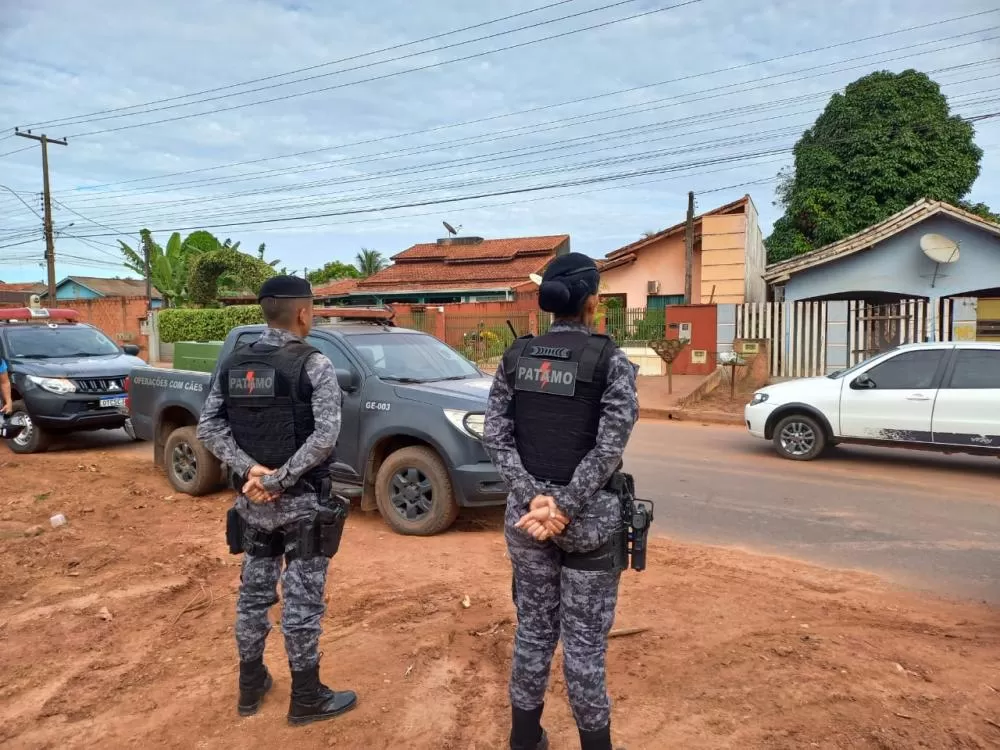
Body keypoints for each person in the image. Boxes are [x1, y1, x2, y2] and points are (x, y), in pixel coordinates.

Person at [484, 253, 639, 750]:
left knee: (533, 631)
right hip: (588, 525)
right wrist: (565, 506)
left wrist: (536, 501)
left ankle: (523, 739)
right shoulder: (611, 360)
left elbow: (496, 436)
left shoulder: (515, 357)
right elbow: (609, 447)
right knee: (585, 646)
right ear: (593, 301)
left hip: (528, 524)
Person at [196, 275, 357, 726]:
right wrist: (279, 479)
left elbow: (209, 427)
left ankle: (250, 687)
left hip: (253, 506)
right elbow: (326, 437)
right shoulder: (313, 363)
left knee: (253, 597)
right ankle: (306, 698)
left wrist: (250, 472)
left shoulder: (232, 363)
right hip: (302, 504)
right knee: (302, 604)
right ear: (303, 312)